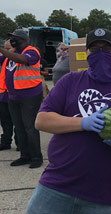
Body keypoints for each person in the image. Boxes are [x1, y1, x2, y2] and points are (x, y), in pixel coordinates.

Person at [25, 28, 111, 214]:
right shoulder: (69, 81)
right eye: (95, 49)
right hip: (58, 184)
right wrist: (83, 123)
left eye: (107, 48)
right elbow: (42, 120)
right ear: (86, 53)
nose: (101, 53)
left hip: (108, 191)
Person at [0, 29, 43, 168]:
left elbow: (23, 60)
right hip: (13, 96)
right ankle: (24, 156)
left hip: (29, 96)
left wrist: (2, 50)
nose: (12, 40)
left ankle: (36, 157)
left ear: (22, 39)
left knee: (29, 127)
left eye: (14, 38)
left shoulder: (31, 51)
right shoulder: (12, 53)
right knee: (19, 128)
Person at [0, 40, 18, 151]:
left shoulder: (20, 59)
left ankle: (20, 143)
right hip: (3, 94)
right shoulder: (6, 59)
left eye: (8, 49)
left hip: (16, 94)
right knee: (5, 121)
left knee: (18, 121)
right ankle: (5, 142)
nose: (6, 51)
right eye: (5, 49)